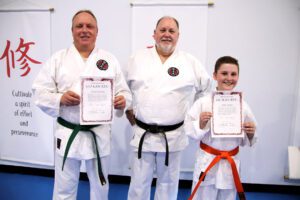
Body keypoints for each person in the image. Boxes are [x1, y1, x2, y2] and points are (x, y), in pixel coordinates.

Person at [32, 10, 132, 200]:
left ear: (97, 31)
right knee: (64, 187)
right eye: (79, 26)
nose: (84, 30)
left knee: (100, 187)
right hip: (69, 132)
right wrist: (60, 99)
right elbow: (39, 92)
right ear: (72, 31)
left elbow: (124, 92)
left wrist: (123, 100)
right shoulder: (58, 59)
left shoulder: (109, 60)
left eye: (89, 26)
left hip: (98, 133)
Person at [124, 16, 212, 200]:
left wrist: (194, 116)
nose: (167, 34)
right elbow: (123, 87)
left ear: (178, 36)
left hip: (173, 135)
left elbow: (206, 89)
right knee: (139, 183)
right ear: (154, 34)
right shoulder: (137, 59)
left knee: (169, 183)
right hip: (142, 133)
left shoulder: (189, 62)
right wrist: (128, 107)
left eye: (171, 31)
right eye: (162, 30)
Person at [185, 56, 257, 200]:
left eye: (233, 74)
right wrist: (200, 124)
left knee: (227, 197)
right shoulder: (202, 103)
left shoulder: (242, 104)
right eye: (224, 73)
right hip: (207, 160)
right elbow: (189, 131)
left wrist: (250, 132)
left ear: (238, 76)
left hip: (230, 162)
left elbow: (249, 139)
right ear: (215, 75)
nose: (229, 78)